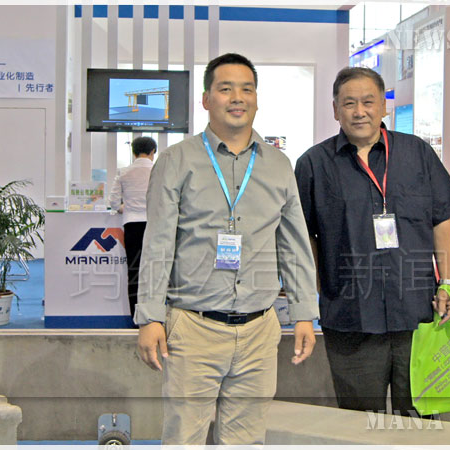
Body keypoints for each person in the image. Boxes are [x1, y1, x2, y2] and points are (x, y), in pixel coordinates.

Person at [134, 53, 318, 445]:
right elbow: (158, 244)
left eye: (246, 89)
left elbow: (294, 245)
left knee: (246, 440)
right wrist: (150, 316)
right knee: (184, 437)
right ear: (206, 99)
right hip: (193, 327)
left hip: (259, 330)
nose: (237, 97)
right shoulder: (176, 161)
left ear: (256, 99)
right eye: (225, 88)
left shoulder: (278, 165)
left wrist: (304, 313)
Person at [294, 67, 450, 415]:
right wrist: (320, 289)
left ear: (384, 106)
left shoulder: (417, 154)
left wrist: (447, 283)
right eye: (349, 103)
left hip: (417, 317)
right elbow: (303, 236)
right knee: (359, 422)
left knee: (419, 420)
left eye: (368, 102)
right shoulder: (313, 164)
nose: (360, 111)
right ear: (335, 110)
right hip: (350, 321)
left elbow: (441, 222)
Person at [108, 136, 157, 321]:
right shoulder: (158, 170)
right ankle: (155, 316)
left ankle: (136, 318)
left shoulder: (124, 172)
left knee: (134, 270)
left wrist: (125, 208)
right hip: (155, 225)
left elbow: (113, 202)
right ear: (153, 152)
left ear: (134, 152)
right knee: (156, 270)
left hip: (132, 226)